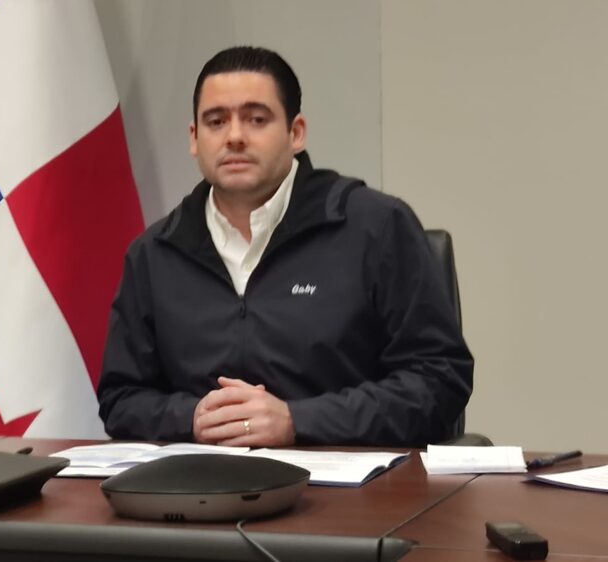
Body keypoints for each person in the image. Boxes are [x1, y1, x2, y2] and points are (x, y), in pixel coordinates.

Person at [97, 46, 473, 447]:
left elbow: (439, 378)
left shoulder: (376, 226)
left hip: (350, 491)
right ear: (194, 138)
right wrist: (190, 418)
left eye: (256, 119)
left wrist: (298, 420)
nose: (235, 136)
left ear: (296, 133)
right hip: (199, 488)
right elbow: (121, 399)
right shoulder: (154, 253)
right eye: (216, 121)